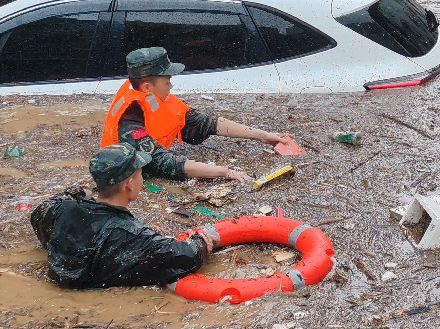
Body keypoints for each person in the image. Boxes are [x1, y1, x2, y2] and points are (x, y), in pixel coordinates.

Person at [30, 143, 217, 288]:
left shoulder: (62, 211)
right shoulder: (132, 234)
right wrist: (200, 243)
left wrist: (78, 193)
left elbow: (39, 213)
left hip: (64, 279)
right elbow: (186, 255)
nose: (142, 181)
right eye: (140, 176)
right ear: (129, 184)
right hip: (93, 285)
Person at [100, 47, 293, 182]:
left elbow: (204, 122)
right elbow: (163, 163)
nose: (171, 86)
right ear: (148, 87)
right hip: (125, 174)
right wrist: (224, 171)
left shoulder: (151, 95)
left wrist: (265, 136)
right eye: (167, 81)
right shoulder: (129, 121)